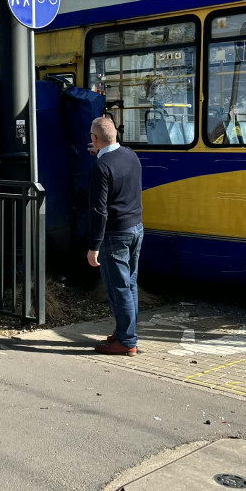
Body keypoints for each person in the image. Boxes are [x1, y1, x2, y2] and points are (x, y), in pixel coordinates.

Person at [86, 116, 143, 356]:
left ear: (94, 138)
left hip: (115, 234)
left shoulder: (101, 167)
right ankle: (124, 332)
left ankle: (127, 341)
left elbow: (99, 211)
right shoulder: (130, 155)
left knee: (119, 288)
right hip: (136, 228)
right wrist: (100, 153)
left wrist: (94, 246)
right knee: (130, 284)